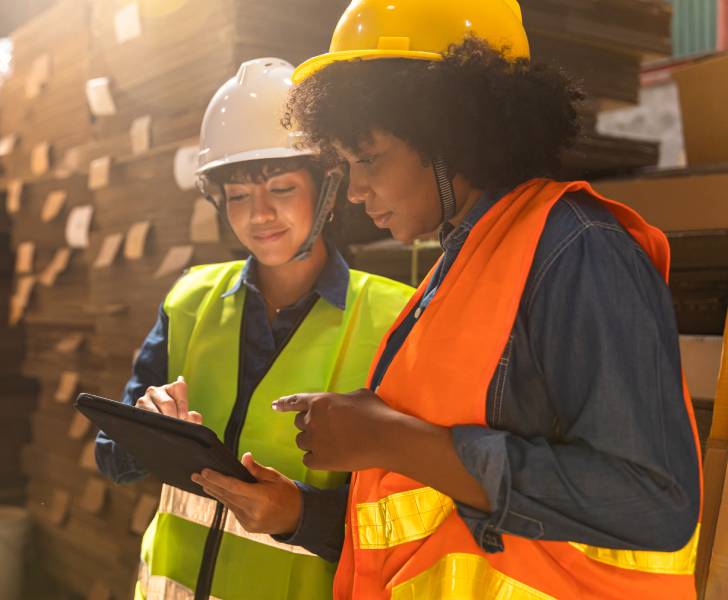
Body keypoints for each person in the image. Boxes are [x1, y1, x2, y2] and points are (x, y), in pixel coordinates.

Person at [263, 1, 703, 598]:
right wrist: (299, 512)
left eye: (368, 159)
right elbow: (435, 515)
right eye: (346, 165)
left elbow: (654, 503)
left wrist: (388, 438)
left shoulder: (577, 251)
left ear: (451, 134)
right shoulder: (464, 264)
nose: (357, 190)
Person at [94, 57, 415, 600]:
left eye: (282, 189)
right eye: (239, 195)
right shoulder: (189, 300)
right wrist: (145, 433)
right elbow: (112, 456)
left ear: (328, 187)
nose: (258, 214)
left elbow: (410, 519)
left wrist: (301, 513)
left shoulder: (392, 319)